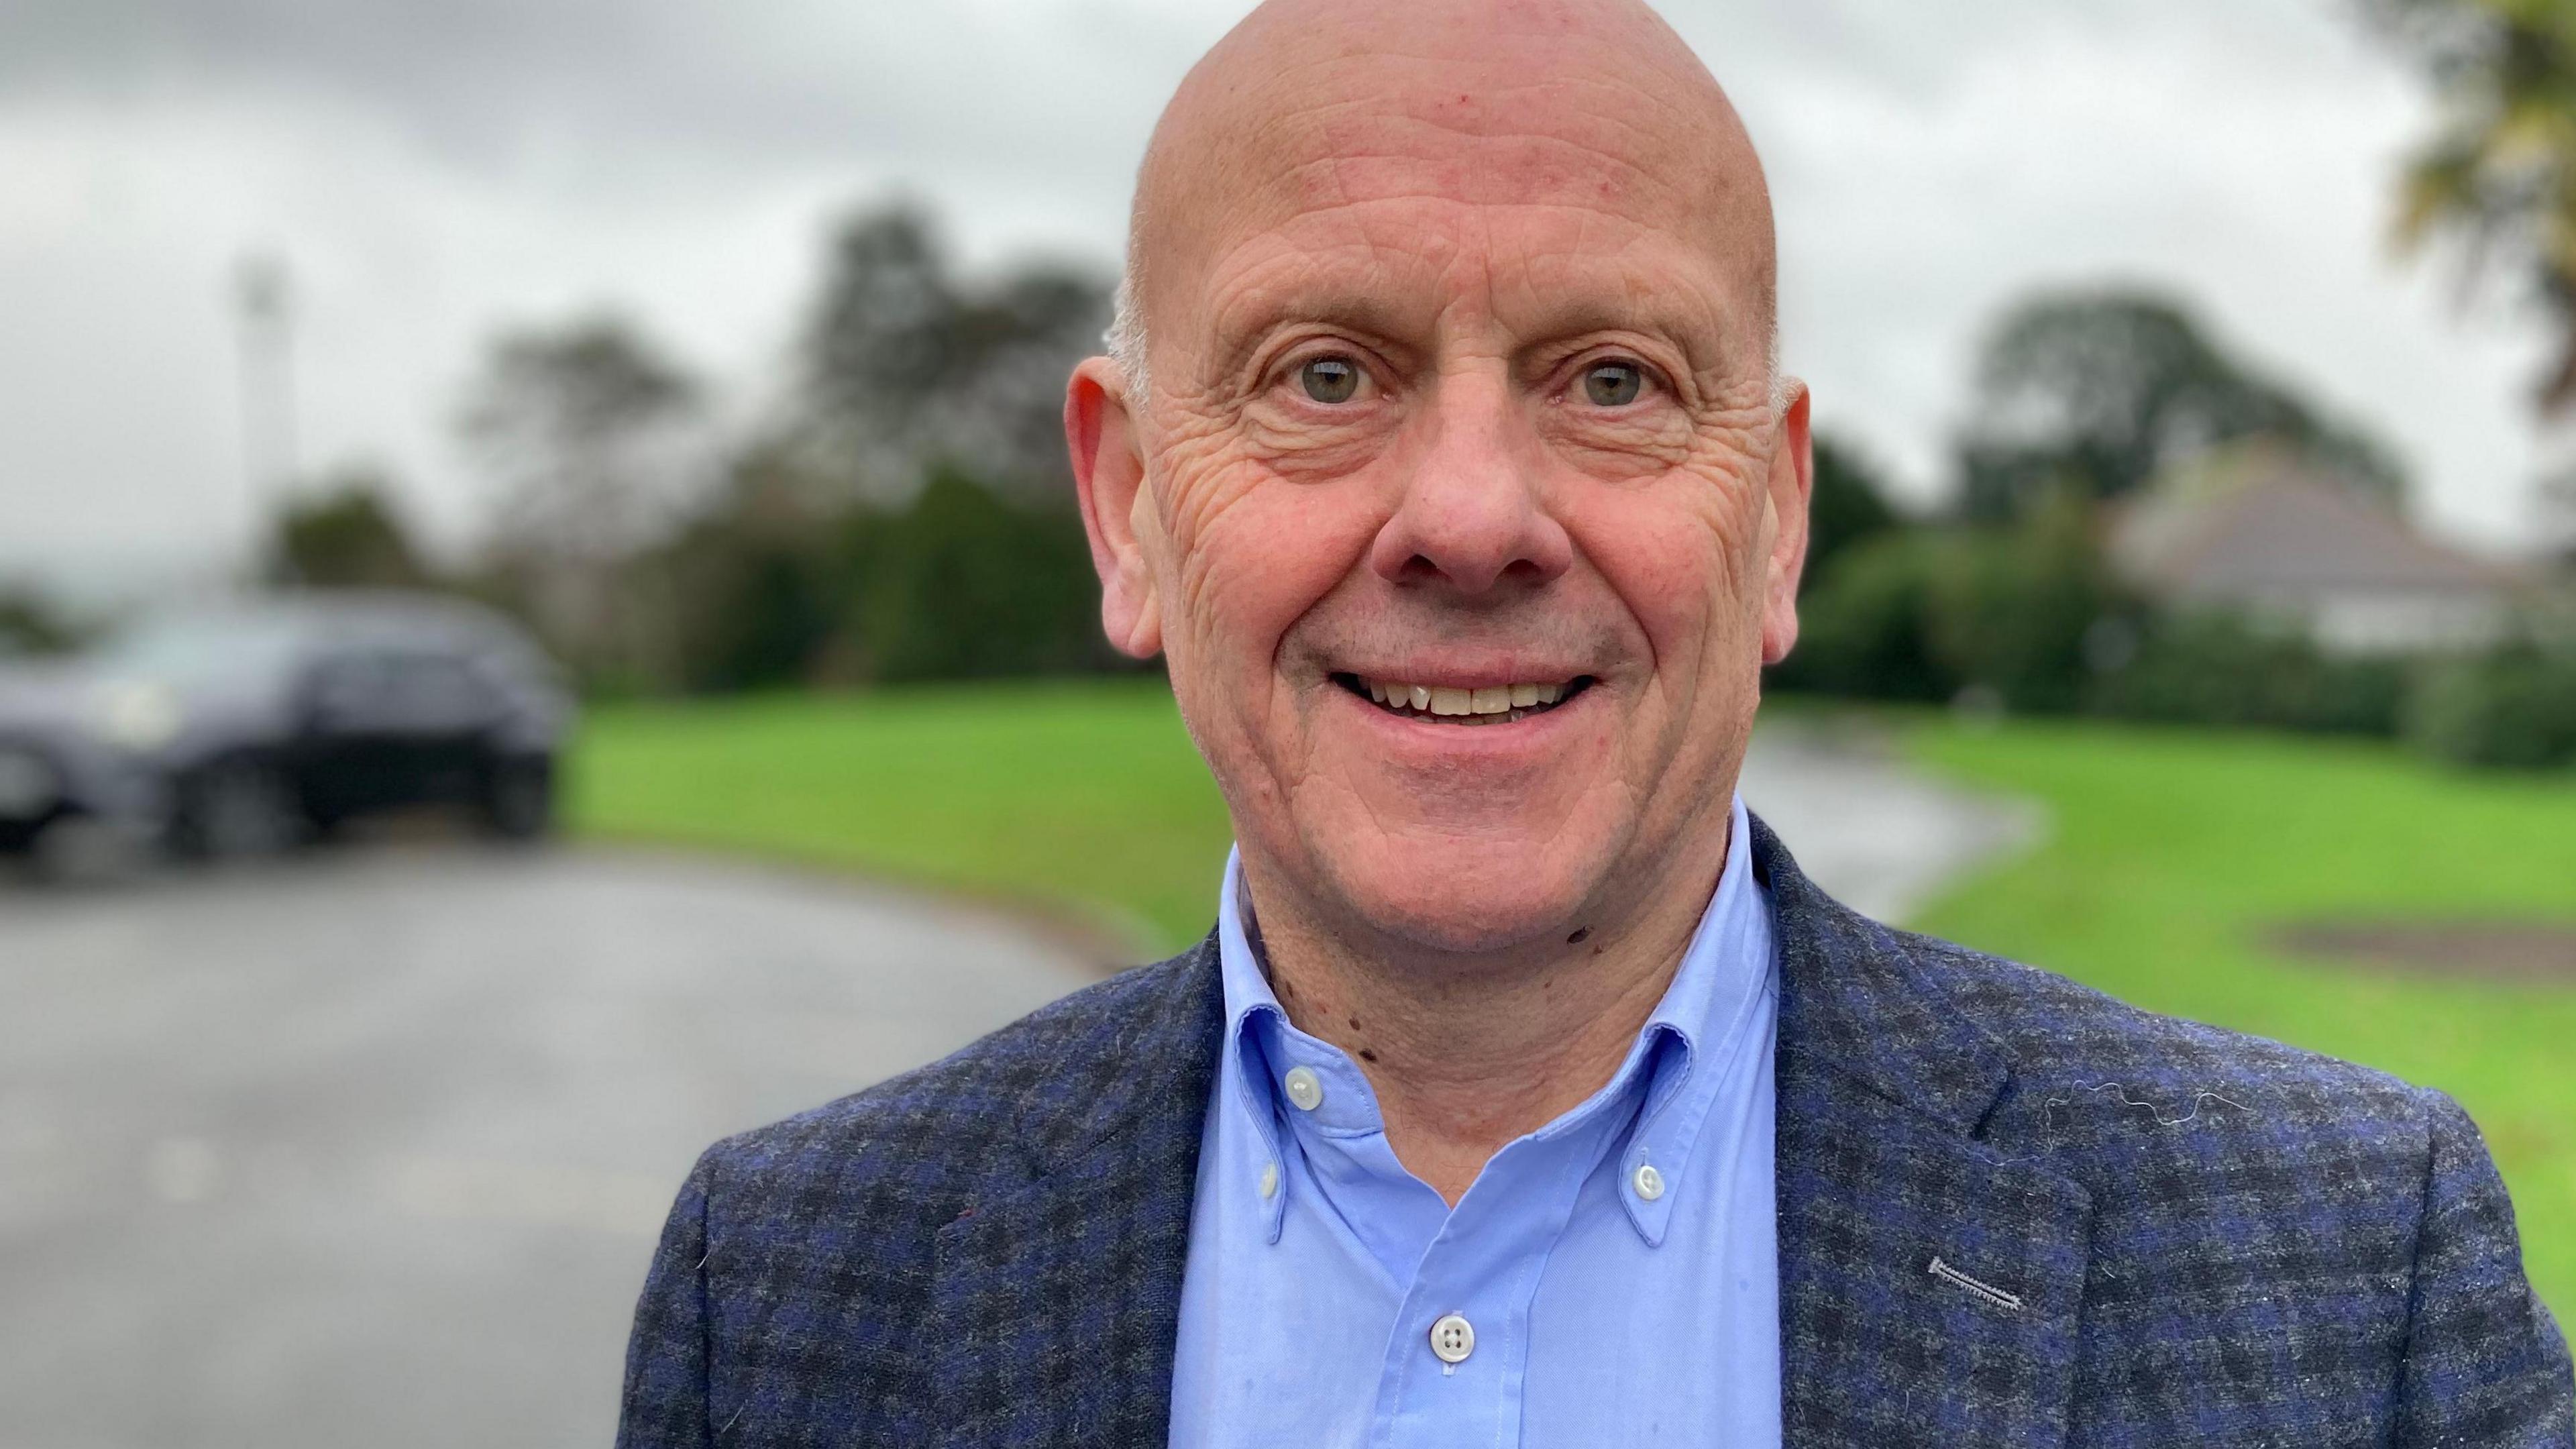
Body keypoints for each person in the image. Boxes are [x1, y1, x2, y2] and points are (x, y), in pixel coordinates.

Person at [615, 0, 2575, 1442]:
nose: (1473, 520)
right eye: (1324, 372)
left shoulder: (2338, 1273)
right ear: (1130, 505)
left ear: (1780, 517)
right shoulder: (788, 1301)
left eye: (1616, 381)